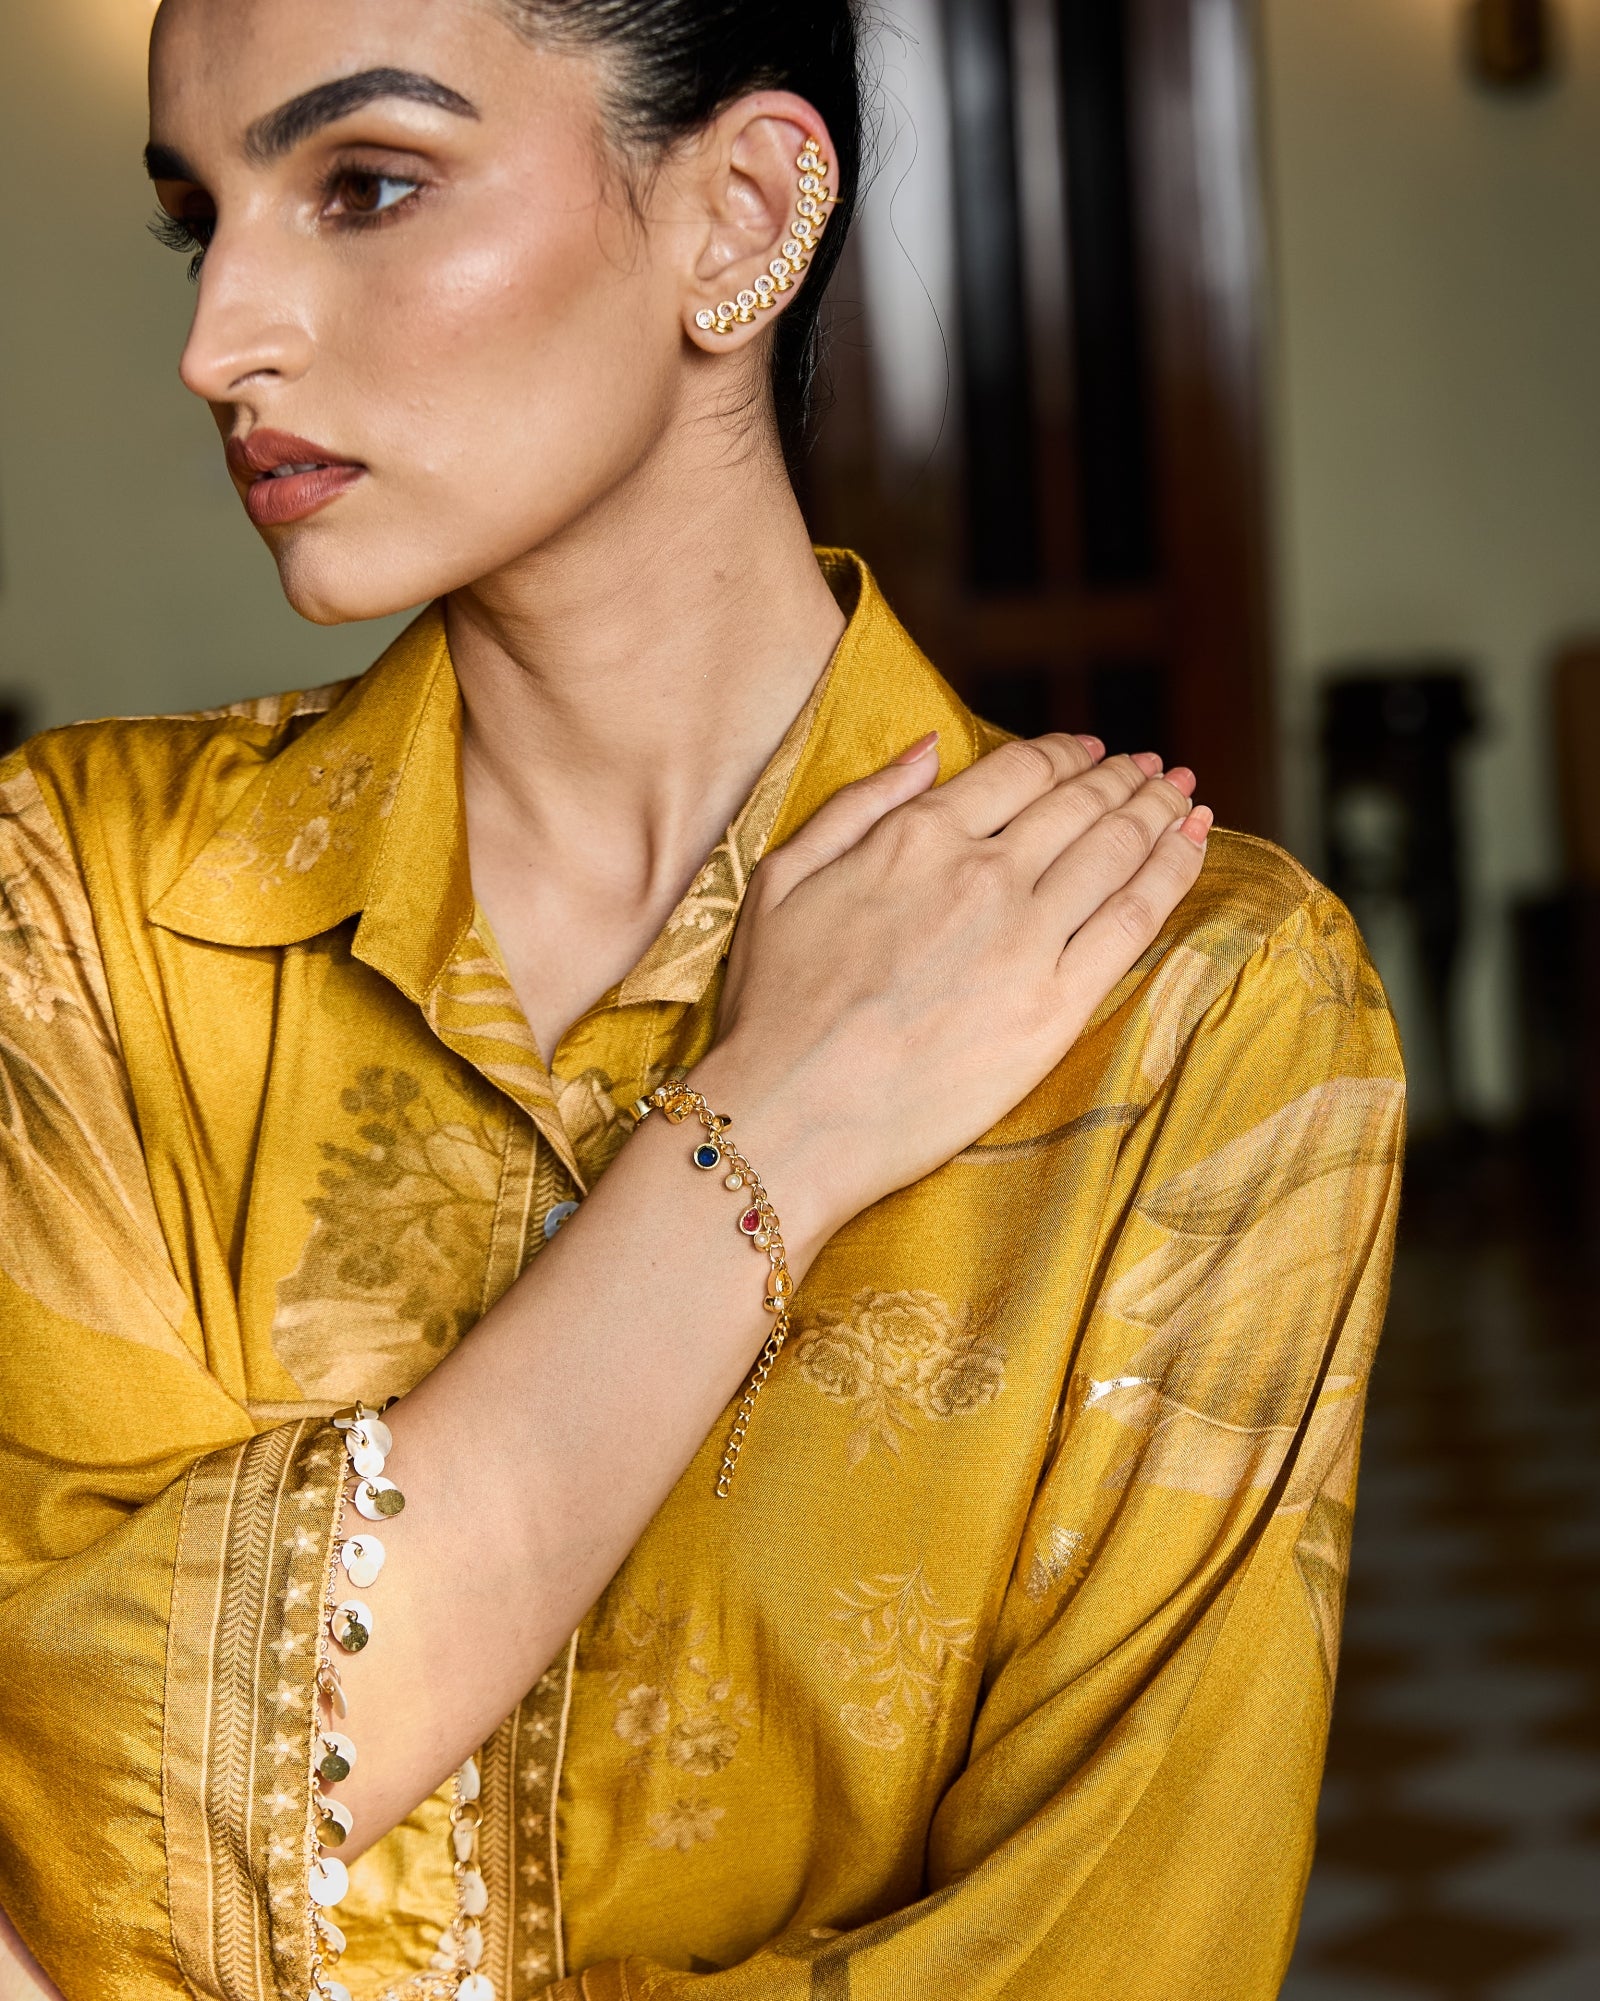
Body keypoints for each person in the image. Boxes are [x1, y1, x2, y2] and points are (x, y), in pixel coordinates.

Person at [0, 2, 1404, 1998]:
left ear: (740, 210)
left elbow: (1108, 1954)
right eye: (196, 219)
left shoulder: (1200, 1011)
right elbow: (70, 1804)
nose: (219, 341)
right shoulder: (80, 904)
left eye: (366, 185)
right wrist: (776, 1125)